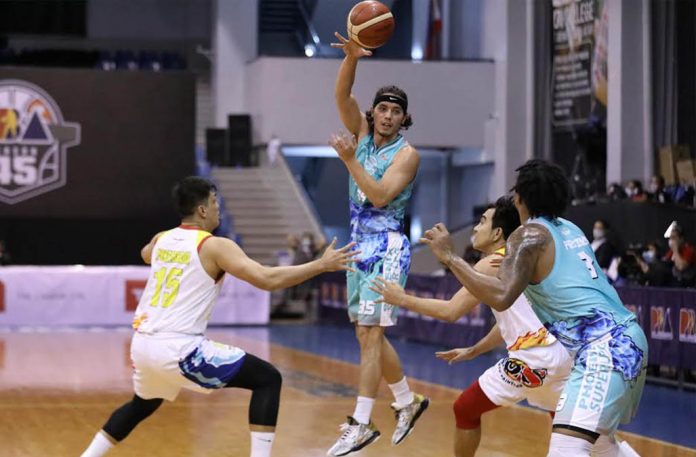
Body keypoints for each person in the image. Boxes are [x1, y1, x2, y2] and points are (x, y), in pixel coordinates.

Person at [79, 176, 359, 457]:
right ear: (202, 210)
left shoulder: (161, 239)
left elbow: (146, 254)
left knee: (143, 404)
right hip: (180, 349)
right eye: (215, 203)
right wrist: (321, 265)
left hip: (142, 346)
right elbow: (267, 279)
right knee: (267, 379)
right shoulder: (214, 246)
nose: (218, 209)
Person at [421, 160, 647, 457]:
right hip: (624, 340)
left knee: (567, 449)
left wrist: (451, 258)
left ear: (521, 199)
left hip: (604, 349)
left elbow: (501, 296)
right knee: (603, 448)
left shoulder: (528, 236)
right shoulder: (570, 229)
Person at [370, 196, 574, 457]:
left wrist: (402, 299)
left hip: (533, 359)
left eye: (482, 221)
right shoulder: (518, 259)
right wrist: (476, 349)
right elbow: (512, 322)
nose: (476, 228)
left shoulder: (491, 263)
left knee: (465, 409)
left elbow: (451, 311)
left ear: (498, 233)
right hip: (560, 353)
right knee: (585, 434)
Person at [325, 30, 427, 456]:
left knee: (370, 336)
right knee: (367, 336)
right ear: (374, 112)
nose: (387, 116)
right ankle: (407, 400)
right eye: (382, 108)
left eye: (395, 111)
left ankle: (361, 423)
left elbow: (381, 196)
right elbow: (342, 93)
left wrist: (349, 161)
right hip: (358, 246)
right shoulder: (362, 133)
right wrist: (352, 57)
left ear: (404, 119)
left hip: (386, 246)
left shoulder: (408, 154)